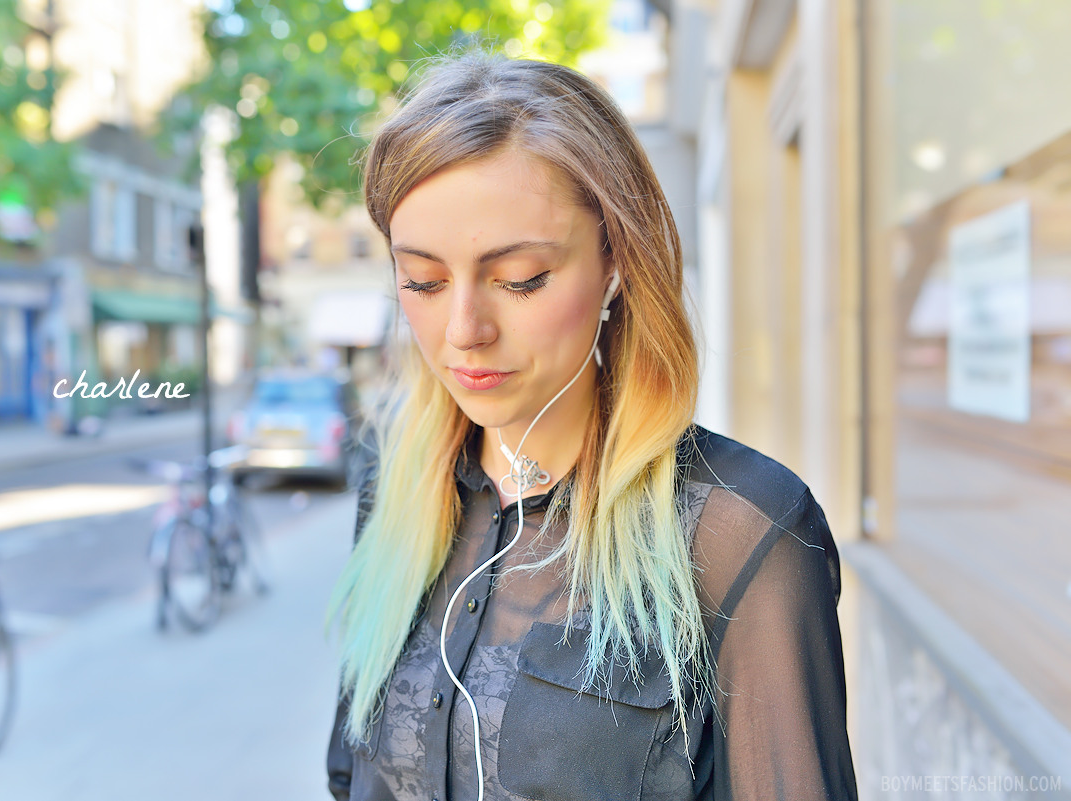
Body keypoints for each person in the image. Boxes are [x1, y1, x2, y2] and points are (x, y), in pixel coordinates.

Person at [325, 50, 858, 801]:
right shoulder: (396, 486)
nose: (464, 329)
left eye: (520, 279)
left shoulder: (740, 530)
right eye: (424, 281)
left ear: (615, 261)